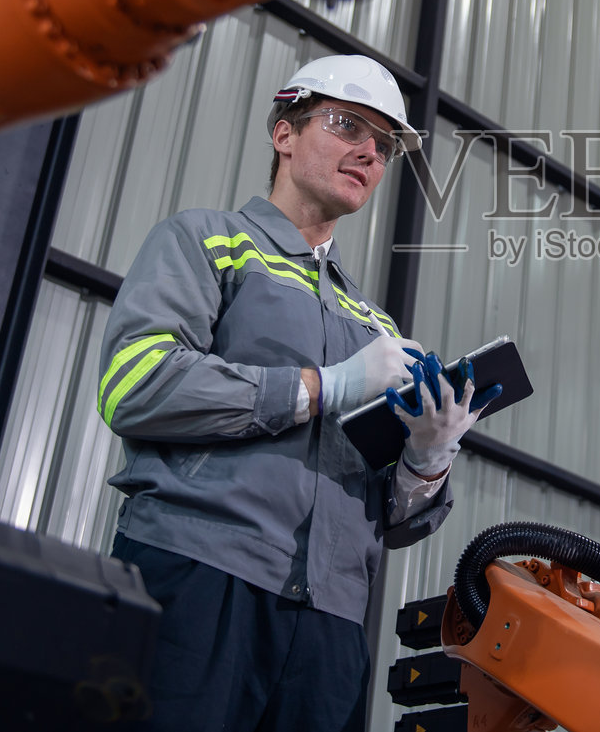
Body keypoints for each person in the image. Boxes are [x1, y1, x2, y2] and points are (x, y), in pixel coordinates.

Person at [96, 54, 496, 732]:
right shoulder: (206, 242)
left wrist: (426, 460)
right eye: (347, 126)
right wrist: (325, 386)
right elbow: (135, 384)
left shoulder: (377, 326)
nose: (369, 151)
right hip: (197, 578)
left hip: (332, 627)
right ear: (284, 133)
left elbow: (395, 518)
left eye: (385, 143)